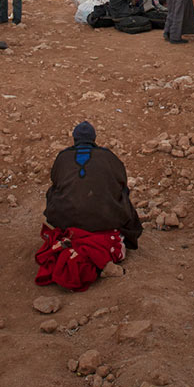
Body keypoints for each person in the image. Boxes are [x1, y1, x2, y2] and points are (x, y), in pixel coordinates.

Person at [36, 122, 141, 292]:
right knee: (122, 193)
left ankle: (71, 227)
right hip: (105, 220)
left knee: (53, 192)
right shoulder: (108, 156)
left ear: (74, 138)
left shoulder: (63, 157)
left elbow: (56, 182)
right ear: (94, 138)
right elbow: (121, 181)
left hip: (67, 222)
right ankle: (119, 234)